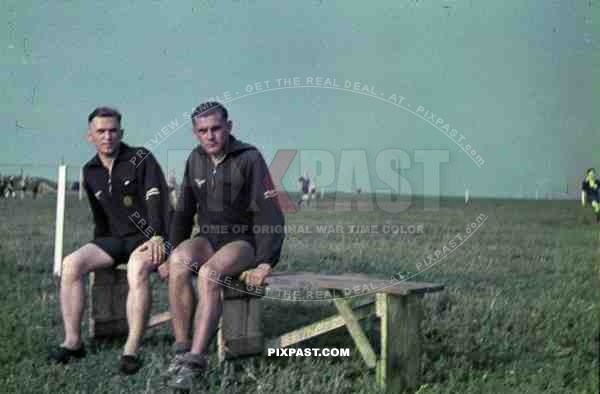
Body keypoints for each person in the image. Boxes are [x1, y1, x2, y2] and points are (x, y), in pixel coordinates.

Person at [161, 102, 285, 390]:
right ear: (195, 133)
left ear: (229, 127)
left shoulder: (249, 157)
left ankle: (195, 361)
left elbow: (269, 211)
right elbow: (183, 212)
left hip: (242, 241)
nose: (210, 136)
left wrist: (266, 261)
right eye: (203, 130)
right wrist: (170, 252)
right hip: (208, 238)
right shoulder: (195, 159)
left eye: (216, 128)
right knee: (179, 260)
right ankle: (181, 350)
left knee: (209, 274)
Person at [48, 107, 172, 375]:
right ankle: (73, 342)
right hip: (114, 240)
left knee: (138, 268)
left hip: (148, 237)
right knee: (71, 264)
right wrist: (97, 252)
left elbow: (158, 201)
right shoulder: (89, 171)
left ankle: (130, 349)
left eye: (113, 131)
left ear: (121, 133)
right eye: (101, 131)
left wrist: (162, 243)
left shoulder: (141, 158)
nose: (107, 136)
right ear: (89, 136)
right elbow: (100, 219)